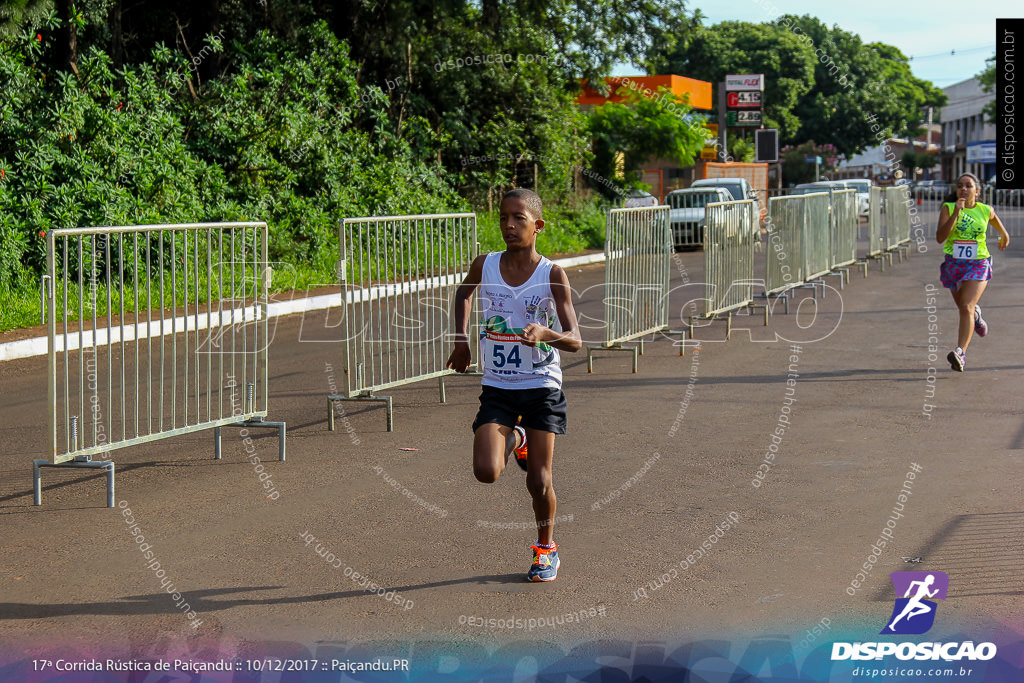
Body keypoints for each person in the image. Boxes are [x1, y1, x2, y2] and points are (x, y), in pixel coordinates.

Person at [446, 188, 581, 581]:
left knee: (539, 480)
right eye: (504, 217)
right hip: (500, 385)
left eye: (518, 217)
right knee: (486, 471)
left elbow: (574, 338)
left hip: (541, 385)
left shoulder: (551, 274)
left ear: (537, 225)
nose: (508, 224)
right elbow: (464, 293)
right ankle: (518, 439)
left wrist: (546, 333)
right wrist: (461, 339)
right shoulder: (485, 265)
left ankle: (546, 549)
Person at [935, 173, 1009, 371]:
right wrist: (955, 214)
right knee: (963, 308)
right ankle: (976, 316)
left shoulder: (985, 210)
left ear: (977, 191)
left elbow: (993, 218)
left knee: (966, 305)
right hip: (954, 264)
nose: (964, 189)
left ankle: (961, 353)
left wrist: (1004, 233)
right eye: (960, 185)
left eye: (968, 185)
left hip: (978, 262)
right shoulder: (948, 208)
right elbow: (940, 238)